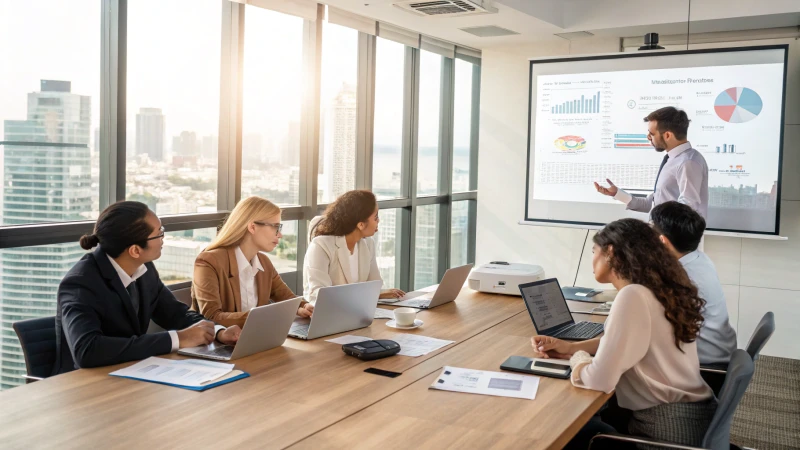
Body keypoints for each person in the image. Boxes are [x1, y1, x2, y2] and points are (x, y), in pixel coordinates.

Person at [531, 218, 715, 449]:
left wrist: (578, 360)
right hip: (688, 421)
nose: (592, 258)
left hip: (663, 435)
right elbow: (624, 342)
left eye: (593, 251)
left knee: (559, 431)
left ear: (610, 252)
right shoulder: (656, 291)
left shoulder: (633, 296)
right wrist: (570, 348)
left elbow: (598, 381)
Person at [55, 201, 241, 373]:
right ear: (135, 250)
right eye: (159, 233)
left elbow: (175, 314)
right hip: (86, 385)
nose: (163, 239)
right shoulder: (81, 283)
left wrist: (218, 332)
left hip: (131, 372)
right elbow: (87, 350)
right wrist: (178, 338)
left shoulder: (144, 269)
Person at [191, 196, 313, 328]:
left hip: (255, 339)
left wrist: (303, 306)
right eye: (275, 227)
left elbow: (287, 297)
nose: (280, 235)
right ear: (252, 227)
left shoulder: (263, 262)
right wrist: (263, 316)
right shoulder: (209, 262)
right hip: (218, 344)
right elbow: (212, 317)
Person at [595, 107, 709, 218]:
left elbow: (688, 209)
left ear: (667, 135)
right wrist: (617, 194)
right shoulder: (672, 160)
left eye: (652, 134)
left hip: (675, 236)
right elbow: (650, 203)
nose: (648, 137)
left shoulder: (688, 162)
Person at [303, 190, 405, 303]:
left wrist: (379, 293)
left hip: (360, 311)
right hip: (330, 314)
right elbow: (319, 294)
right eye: (375, 218)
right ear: (361, 224)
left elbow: (374, 285)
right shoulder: (321, 245)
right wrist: (373, 294)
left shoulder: (368, 244)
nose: (378, 221)